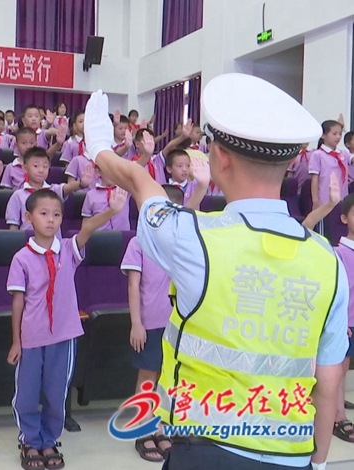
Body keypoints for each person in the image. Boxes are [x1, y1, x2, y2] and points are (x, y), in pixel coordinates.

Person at [83, 74, 348, 470]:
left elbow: (139, 181)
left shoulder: (194, 237)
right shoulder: (328, 259)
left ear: (220, 158)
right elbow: (329, 380)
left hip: (206, 450)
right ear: (293, 161)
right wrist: (320, 462)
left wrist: (100, 147)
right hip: (291, 452)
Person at [6, 187, 127, 469]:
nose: (51, 220)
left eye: (57, 215)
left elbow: (89, 228)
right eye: (44, 213)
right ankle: (29, 440)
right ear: (28, 217)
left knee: (56, 392)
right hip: (31, 337)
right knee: (26, 394)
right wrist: (16, 341)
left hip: (63, 336)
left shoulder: (69, 250)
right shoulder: (21, 258)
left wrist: (112, 210)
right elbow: (17, 302)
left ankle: (49, 439)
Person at [122, 184, 191, 462]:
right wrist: (136, 323)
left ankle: (161, 428)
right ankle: (143, 430)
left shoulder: (183, 243)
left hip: (177, 323)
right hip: (150, 322)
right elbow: (133, 286)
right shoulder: (138, 243)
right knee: (148, 377)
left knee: (169, 379)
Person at [6, 147, 93, 236]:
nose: (41, 170)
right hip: (29, 240)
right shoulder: (18, 195)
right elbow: (14, 226)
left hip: (54, 241)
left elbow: (67, 187)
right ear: (25, 168)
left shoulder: (53, 190)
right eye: (36, 166)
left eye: (45, 166)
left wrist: (82, 184)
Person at [332, 193, 354, 444]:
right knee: (339, 367)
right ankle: (338, 417)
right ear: (344, 218)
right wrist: (339, 321)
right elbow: (336, 289)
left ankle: (338, 403)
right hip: (346, 322)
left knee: (345, 368)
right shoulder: (339, 252)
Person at [309, 120, 352, 211]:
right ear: (323, 135)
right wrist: (315, 201)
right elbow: (315, 180)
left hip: (342, 199)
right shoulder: (318, 155)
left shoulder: (343, 154)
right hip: (325, 200)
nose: (338, 137)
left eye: (340, 134)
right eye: (334, 134)